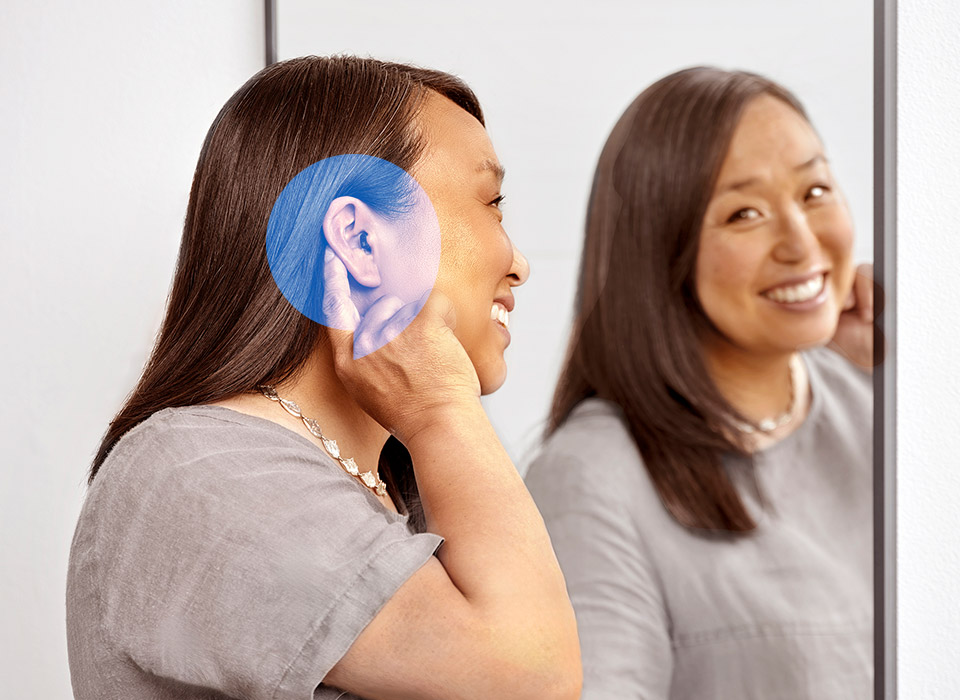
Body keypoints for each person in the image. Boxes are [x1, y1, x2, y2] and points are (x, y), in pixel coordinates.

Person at [66, 56, 581, 700]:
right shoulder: (201, 471)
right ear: (360, 240)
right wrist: (443, 409)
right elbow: (533, 677)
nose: (520, 264)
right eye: (492, 204)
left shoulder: (399, 483)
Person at [525, 67, 876, 699]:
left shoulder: (884, 404)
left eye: (816, 190)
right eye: (744, 213)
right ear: (662, 248)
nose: (802, 242)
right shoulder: (595, 477)